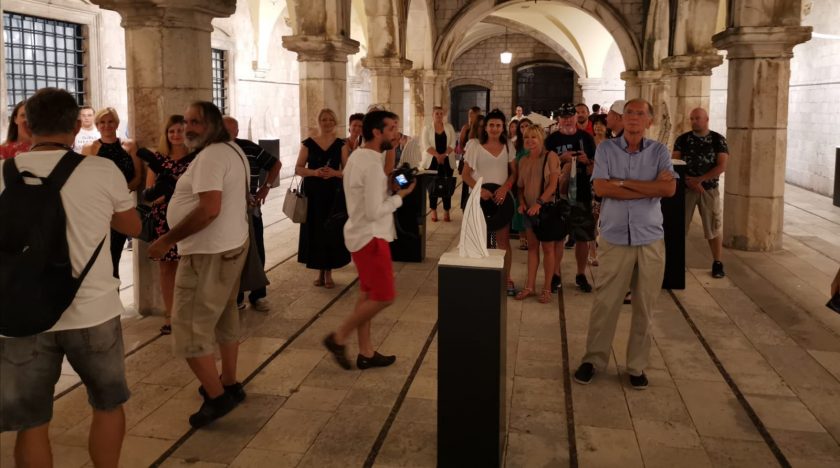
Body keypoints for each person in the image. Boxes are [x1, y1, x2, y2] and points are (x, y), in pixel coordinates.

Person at [0, 88, 140, 467]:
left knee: (32, 423)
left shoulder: (2, 173)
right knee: (107, 405)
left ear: (27, 126)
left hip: (21, 314)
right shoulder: (101, 170)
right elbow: (132, 226)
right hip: (93, 311)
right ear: (77, 126)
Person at [148, 101, 250, 428]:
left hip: (208, 254)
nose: (188, 128)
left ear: (214, 124)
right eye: (187, 121)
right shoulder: (231, 149)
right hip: (229, 247)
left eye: (196, 122)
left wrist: (166, 240)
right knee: (224, 316)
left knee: (188, 329)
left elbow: (209, 210)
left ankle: (217, 397)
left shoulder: (211, 156)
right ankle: (229, 382)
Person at [573, 98, 677, 390]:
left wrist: (621, 183)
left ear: (649, 121)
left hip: (649, 237)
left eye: (640, 113)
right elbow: (600, 187)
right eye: (629, 112)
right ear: (622, 117)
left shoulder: (659, 152)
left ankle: (636, 366)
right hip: (615, 236)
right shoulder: (607, 149)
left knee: (645, 305)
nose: (633, 117)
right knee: (605, 302)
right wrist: (648, 188)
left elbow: (669, 188)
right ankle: (593, 359)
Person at [323, 110, 416, 370]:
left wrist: (389, 188)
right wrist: (401, 196)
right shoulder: (373, 165)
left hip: (359, 232)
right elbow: (375, 211)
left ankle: (366, 352)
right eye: (392, 128)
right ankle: (338, 337)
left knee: (367, 295)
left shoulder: (358, 156)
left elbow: (366, 196)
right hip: (371, 237)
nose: (396, 134)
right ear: (377, 132)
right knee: (385, 296)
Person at [223, 116, 281, 310]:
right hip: (226, 212)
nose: (227, 134)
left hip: (250, 208)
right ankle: (237, 296)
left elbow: (275, 164)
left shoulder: (249, 147)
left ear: (237, 132)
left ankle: (258, 294)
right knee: (233, 253)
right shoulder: (214, 150)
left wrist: (266, 187)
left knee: (256, 251)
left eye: (231, 131)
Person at [144, 115, 195, 335]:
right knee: (167, 269)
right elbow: (150, 194)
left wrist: (172, 193)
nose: (175, 135)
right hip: (162, 219)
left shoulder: (195, 158)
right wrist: (169, 194)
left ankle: (189, 314)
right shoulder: (158, 159)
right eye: (171, 131)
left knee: (190, 267)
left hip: (189, 217)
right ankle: (170, 314)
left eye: (180, 130)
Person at [82, 107, 142, 279]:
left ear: (116, 123)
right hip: (98, 210)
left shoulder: (129, 146)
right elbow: (84, 180)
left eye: (110, 121)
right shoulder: (89, 148)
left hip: (121, 209)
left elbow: (138, 177)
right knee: (99, 259)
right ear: (97, 125)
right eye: (102, 122)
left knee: (114, 257)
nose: (106, 125)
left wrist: (118, 196)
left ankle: (114, 293)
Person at [463, 109, 518, 294]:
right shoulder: (475, 146)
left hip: (501, 199)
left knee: (503, 241)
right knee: (482, 241)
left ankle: (506, 278)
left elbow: (514, 173)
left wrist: (505, 188)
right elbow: (465, 174)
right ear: (485, 127)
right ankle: (485, 277)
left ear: (503, 127)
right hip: (480, 199)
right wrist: (479, 190)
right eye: (491, 125)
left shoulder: (508, 145)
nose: (495, 128)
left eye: (498, 125)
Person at [295, 108, 351, 289]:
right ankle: (319, 270)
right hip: (313, 193)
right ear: (319, 122)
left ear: (335, 122)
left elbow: (348, 171)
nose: (327, 123)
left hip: (333, 192)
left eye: (330, 120)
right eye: (324, 119)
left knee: (331, 229)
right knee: (316, 229)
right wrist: (314, 172)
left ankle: (328, 272)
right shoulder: (308, 144)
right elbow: (298, 168)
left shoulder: (341, 144)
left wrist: (334, 172)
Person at [545, 103, 597, 293]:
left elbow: (596, 166)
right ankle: (555, 274)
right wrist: (561, 159)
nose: (567, 120)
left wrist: (586, 160)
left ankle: (581, 274)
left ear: (576, 117)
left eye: (570, 116)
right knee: (558, 236)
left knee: (583, 236)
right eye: (564, 117)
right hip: (559, 194)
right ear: (559, 119)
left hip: (582, 192)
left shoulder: (586, 138)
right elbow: (544, 165)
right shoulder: (551, 140)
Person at [673, 107, 729, 278]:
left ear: (706, 119)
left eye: (697, 118)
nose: (694, 121)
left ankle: (717, 262)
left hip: (708, 190)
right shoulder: (683, 139)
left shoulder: (718, 140)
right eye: (692, 118)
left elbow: (722, 165)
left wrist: (700, 180)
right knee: (680, 226)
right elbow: (674, 162)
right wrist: (688, 180)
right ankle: (677, 262)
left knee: (713, 226)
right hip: (686, 189)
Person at [515, 125, 562, 303]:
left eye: (534, 137)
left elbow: (553, 185)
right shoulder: (523, 160)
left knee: (548, 249)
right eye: (527, 137)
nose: (530, 141)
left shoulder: (550, 156)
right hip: (529, 210)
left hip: (546, 210)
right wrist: (522, 203)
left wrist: (539, 203)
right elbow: (520, 187)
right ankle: (530, 286)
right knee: (532, 248)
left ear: (541, 139)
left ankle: (547, 288)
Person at [421, 106, 457, 222]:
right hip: (432, 161)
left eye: (441, 113)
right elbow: (426, 145)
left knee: (447, 185)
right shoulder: (427, 128)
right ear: (432, 115)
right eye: (437, 113)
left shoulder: (449, 127)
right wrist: (437, 156)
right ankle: (433, 210)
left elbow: (453, 143)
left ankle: (446, 210)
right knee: (432, 187)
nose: (439, 115)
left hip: (447, 161)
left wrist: (444, 155)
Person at [589, 113, 610, 266]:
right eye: (596, 124)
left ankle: (606, 251)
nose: (598, 127)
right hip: (592, 183)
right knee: (593, 218)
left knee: (608, 219)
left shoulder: (612, 143)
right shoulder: (589, 141)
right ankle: (592, 252)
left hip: (608, 183)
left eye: (601, 124)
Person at [512, 118, 532, 250]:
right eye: (522, 126)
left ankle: (531, 237)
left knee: (531, 208)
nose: (524, 128)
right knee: (519, 208)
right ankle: (522, 238)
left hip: (532, 181)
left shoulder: (536, 143)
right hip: (519, 180)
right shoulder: (516, 145)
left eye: (527, 126)